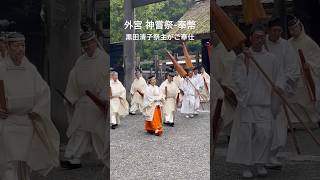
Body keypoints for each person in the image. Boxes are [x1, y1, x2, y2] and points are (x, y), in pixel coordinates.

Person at [226, 24, 285, 178]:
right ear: (251, 38)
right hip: (248, 104)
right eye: (256, 37)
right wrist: (246, 61)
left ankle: (260, 163)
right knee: (246, 136)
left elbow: (280, 76)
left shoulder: (272, 59)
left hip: (264, 104)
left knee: (265, 134)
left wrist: (279, 86)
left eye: (261, 37)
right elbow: (238, 80)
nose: (259, 40)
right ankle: (246, 166)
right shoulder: (242, 58)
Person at [0, 32, 60, 180]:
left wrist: (37, 110)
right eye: (16, 45)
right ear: (8, 47)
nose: (21, 49)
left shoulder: (30, 69)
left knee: (25, 163)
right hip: (7, 123)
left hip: (27, 122)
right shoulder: (1, 68)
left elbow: (44, 91)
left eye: (23, 45)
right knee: (9, 163)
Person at [62, 31, 107, 169]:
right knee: (80, 130)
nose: (87, 46)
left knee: (98, 132)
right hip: (83, 102)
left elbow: (107, 82)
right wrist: (71, 97)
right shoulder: (80, 61)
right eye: (84, 44)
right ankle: (72, 158)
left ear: (95, 42)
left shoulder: (105, 59)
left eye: (89, 43)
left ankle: (105, 158)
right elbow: (73, 79)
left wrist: (104, 100)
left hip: (98, 103)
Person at [265, 17, 300, 168]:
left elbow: (292, 68)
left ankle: (272, 154)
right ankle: (263, 155)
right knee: (263, 125)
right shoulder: (262, 44)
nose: (277, 33)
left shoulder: (286, 46)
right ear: (268, 31)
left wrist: (281, 84)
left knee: (278, 123)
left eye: (279, 30)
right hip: (262, 91)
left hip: (279, 91)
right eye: (274, 30)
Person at [287, 15, 320, 127]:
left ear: (300, 27)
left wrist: (309, 64)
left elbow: (318, 58)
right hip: (294, 77)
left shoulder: (308, 42)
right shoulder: (288, 43)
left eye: (294, 29)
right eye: (290, 30)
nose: (292, 32)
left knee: (308, 100)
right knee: (293, 100)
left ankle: (313, 120)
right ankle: (296, 122)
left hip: (307, 76)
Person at [210, 32, 237, 140]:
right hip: (216, 87)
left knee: (229, 115)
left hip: (224, 87)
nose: (210, 38)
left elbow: (231, 69)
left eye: (212, 35)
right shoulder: (214, 50)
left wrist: (226, 86)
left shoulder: (226, 50)